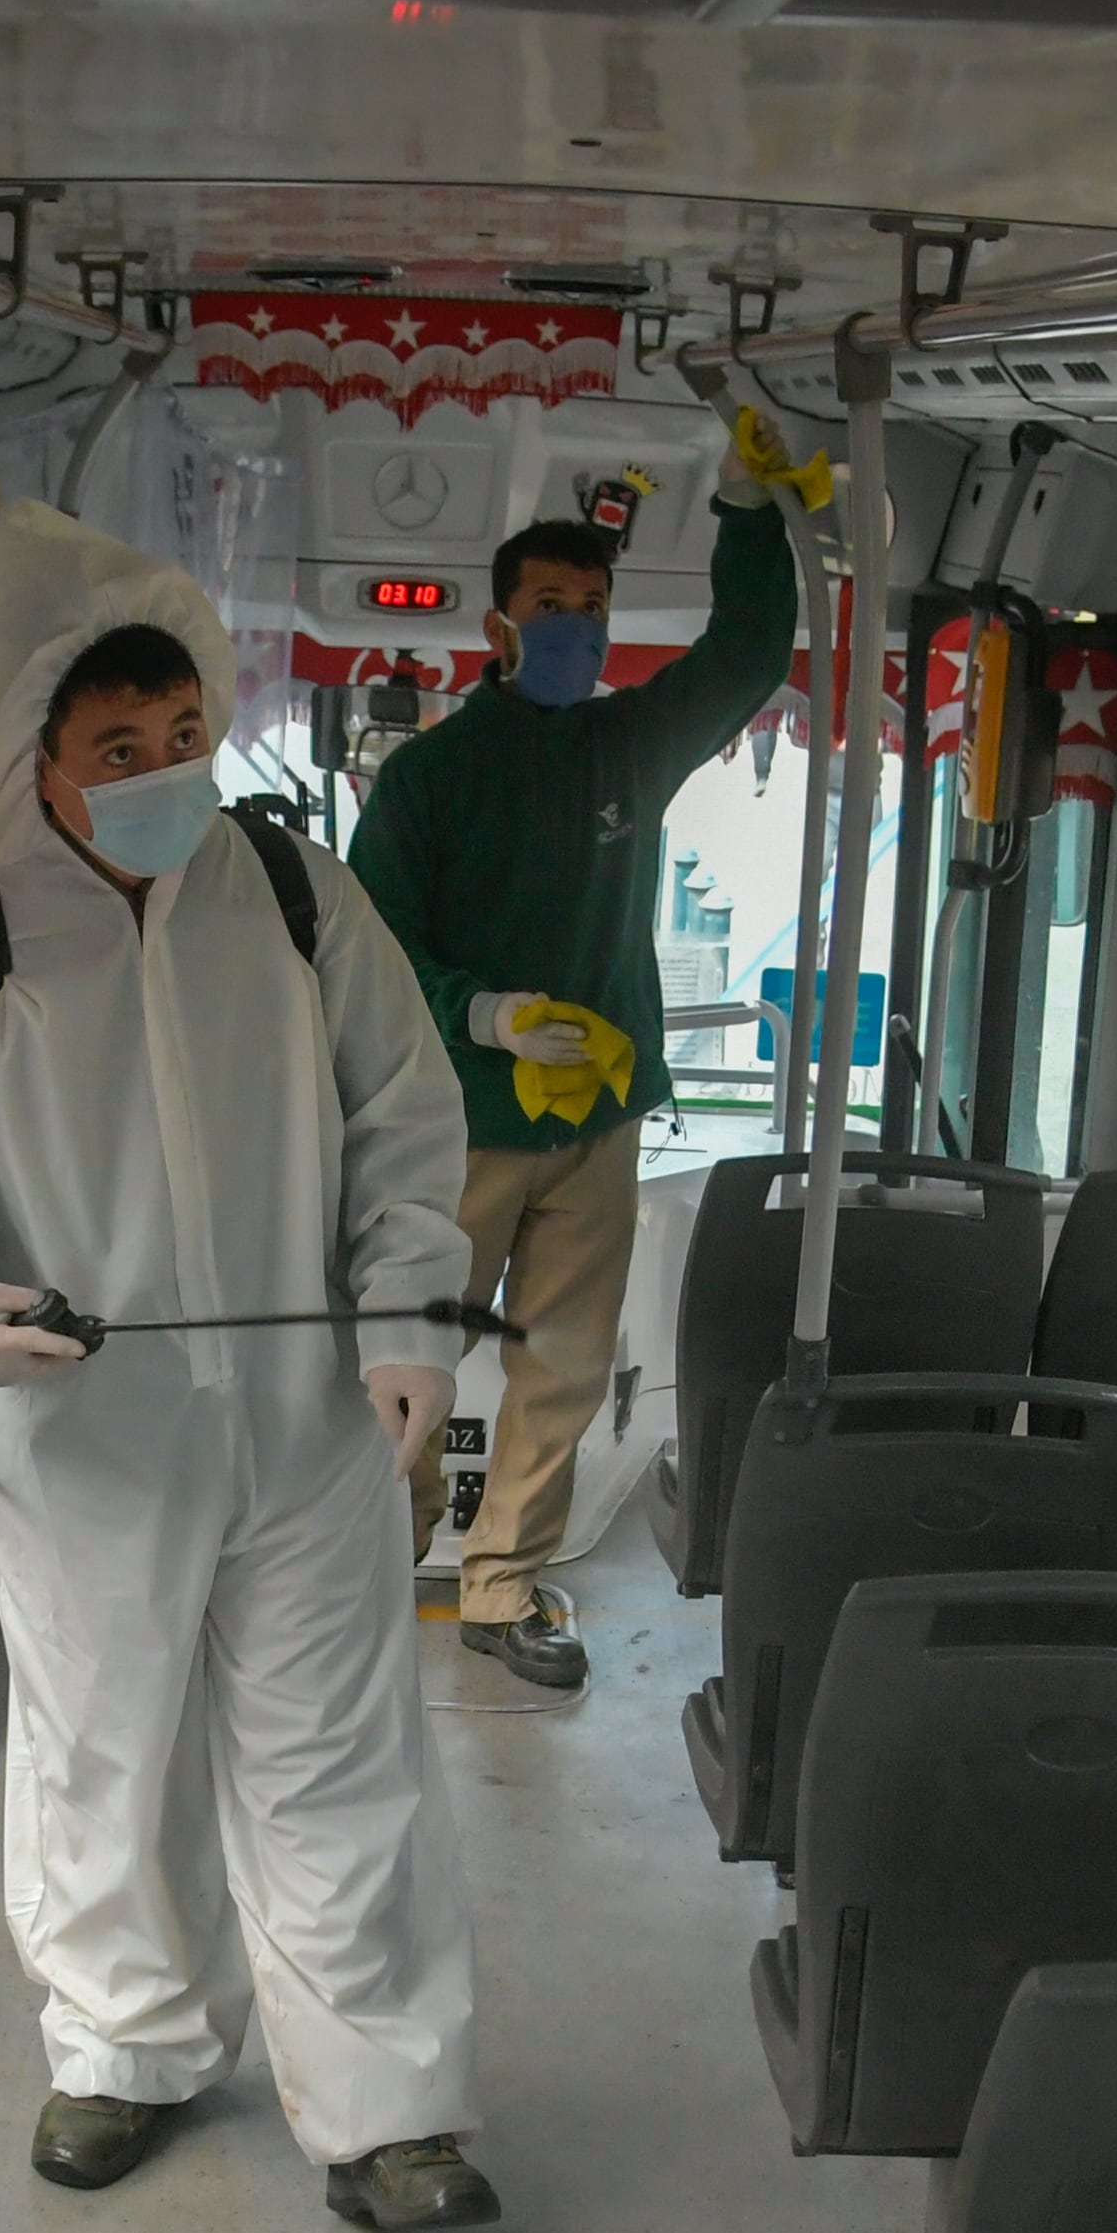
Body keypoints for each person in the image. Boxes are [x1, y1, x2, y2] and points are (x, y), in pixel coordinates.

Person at [0, 505, 497, 2232]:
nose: (162, 770)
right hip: (92, 1440)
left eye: (184, 734)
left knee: (336, 1759)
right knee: (103, 1754)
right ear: (37, 759)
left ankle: (389, 2107)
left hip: (310, 1424)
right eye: (119, 747)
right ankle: (125, 2046)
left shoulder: (287, 891)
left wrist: (409, 1317)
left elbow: (407, 1122)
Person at [347, 411, 801, 1688]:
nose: (576, 629)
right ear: (497, 628)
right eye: (551, 605)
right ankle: (383, 1562)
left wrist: (748, 515)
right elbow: (373, 954)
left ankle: (501, 1587)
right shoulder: (427, 782)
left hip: (593, 1121)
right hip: (455, 1124)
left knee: (561, 1362)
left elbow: (746, 653)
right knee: (416, 1356)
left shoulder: (625, 747)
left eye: (592, 607)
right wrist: (482, 1013)